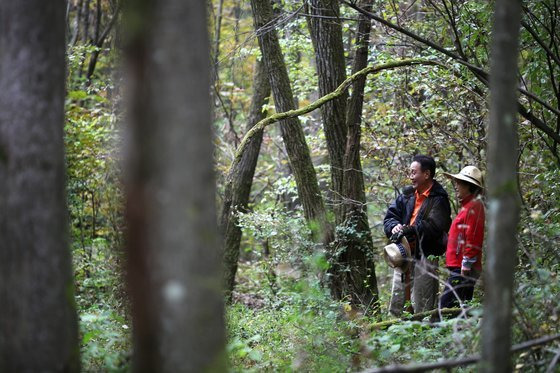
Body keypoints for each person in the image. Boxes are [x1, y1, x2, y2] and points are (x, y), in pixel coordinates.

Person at [384, 155, 452, 316]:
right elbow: (390, 217)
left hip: (426, 257)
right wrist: (394, 227)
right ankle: (395, 335)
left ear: (426, 174)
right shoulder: (407, 195)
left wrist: (410, 229)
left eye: (414, 173)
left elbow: (435, 226)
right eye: (410, 173)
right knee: (397, 302)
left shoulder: (439, 199)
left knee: (424, 304)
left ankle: (424, 339)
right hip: (402, 256)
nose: (411, 177)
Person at [439, 166, 485, 309]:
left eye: (459, 183)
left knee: (445, 308)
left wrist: (467, 263)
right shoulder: (467, 206)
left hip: (463, 268)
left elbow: (474, 237)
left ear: (468, 186)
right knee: (458, 309)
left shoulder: (474, 206)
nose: (456, 186)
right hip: (459, 266)